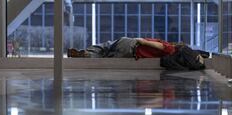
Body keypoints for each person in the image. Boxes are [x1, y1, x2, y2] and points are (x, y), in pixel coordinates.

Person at [67, 37, 209, 70]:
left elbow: (159, 45)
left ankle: (87, 53)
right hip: (132, 54)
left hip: (131, 45)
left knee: (107, 45)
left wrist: (141, 40)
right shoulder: (173, 57)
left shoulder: (170, 49)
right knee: (106, 53)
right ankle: (87, 55)